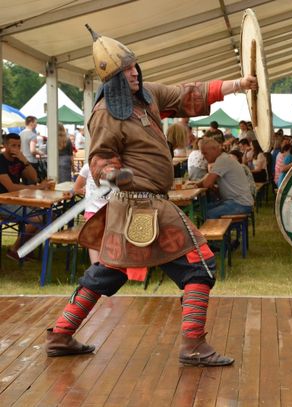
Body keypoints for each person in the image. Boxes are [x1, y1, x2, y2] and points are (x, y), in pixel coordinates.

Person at [44, 26, 257, 366]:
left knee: (109, 272)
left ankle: (61, 334)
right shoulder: (105, 113)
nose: (132, 73)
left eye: (133, 66)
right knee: (200, 264)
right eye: (124, 70)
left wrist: (237, 85)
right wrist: (113, 173)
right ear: (110, 78)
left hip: (142, 207)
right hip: (140, 206)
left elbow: (190, 93)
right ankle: (193, 345)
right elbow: (99, 157)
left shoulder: (149, 94)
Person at [0, 133, 52, 260]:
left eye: (18, 145)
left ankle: (26, 248)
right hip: (3, 203)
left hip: (18, 201)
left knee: (50, 216)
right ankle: (14, 250)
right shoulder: (0, 160)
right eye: (13, 145)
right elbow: (11, 187)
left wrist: (24, 160)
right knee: (37, 219)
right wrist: (36, 188)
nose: (16, 148)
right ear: (5, 145)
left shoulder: (18, 159)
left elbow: (33, 178)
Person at [196, 137, 254, 219]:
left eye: (205, 153)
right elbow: (208, 178)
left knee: (208, 214)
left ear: (214, 149)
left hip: (240, 203)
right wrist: (196, 185)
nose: (203, 157)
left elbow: (207, 183)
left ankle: (211, 231)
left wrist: (196, 185)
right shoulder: (223, 158)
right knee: (204, 209)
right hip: (236, 201)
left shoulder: (222, 160)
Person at [73, 163, 108, 263]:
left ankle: (96, 269)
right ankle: (100, 269)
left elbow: (76, 189)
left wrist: (86, 191)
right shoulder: (118, 165)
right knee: (100, 241)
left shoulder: (88, 165)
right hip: (102, 210)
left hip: (99, 211)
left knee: (94, 242)